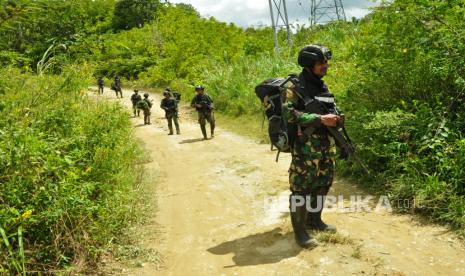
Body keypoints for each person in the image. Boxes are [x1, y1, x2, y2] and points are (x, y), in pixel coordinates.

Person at [283, 44, 340, 248]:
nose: (326, 65)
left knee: (323, 183)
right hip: (306, 146)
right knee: (302, 188)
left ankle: (314, 220)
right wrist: (320, 118)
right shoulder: (294, 88)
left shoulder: (322, 86)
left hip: (326, 144)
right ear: (309, 64)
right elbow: (289, 114)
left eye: (326, 62)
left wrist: (336, 119)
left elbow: (330, 108)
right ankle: (300, 232)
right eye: (321, 63)